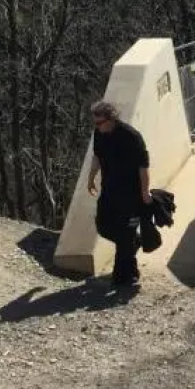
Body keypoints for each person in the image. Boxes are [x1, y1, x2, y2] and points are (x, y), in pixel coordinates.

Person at [85, 100, 152, 291]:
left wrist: (145, 192)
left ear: (111, 119)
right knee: (103, 226)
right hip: (109, 191)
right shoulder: (99, 134)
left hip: (130, 194)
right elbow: (97, 156)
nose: (97, 126)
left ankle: (123, 279)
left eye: (100, 122)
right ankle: (133, 243)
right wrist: (91, 178)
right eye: (95, 123)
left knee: (124, 236)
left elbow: (143, 166)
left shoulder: (131, 136)